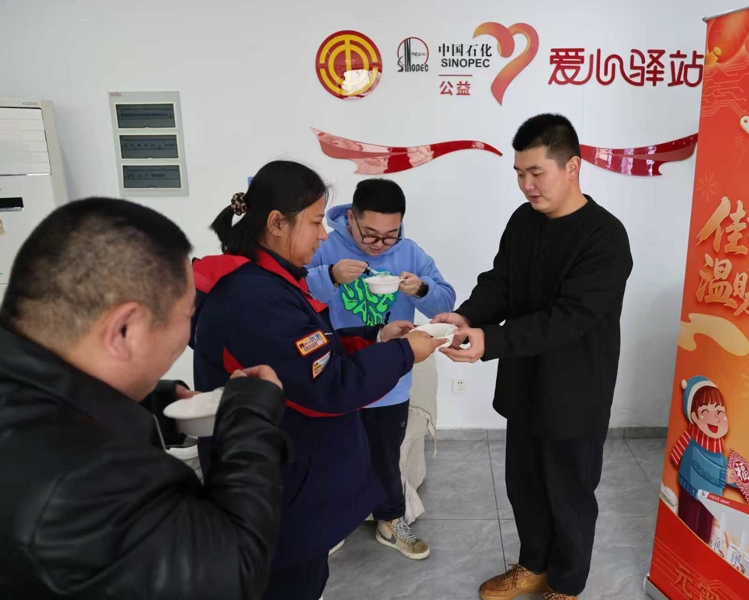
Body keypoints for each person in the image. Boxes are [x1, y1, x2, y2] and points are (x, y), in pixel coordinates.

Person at [0, 198, 291, 599]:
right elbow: (232, 575)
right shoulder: (80, 487)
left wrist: (142, 407)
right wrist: (250, 424)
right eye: (187, 314)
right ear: (125, 330)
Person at [191, 161, 443, 600]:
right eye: (314, 222)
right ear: (276, 223)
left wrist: (377, 337)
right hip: (274, 492)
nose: (322, 235)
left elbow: (311, 348)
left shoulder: (267, 281)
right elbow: (329, 386)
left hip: (287, 482)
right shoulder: (255, 298)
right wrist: (405, 353)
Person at [433, 114, 633, 600]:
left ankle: (566, 584)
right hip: (525, 382)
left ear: (572, 167)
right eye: (520, 174)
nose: (527, 185)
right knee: (524, 486)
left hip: (576, 391)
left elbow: (568, 318)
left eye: (536, 173)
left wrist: (491, 341)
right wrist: (466, 315)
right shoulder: (524, 221)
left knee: (569, 493)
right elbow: (501, 282)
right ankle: (534, 565)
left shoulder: (605, 237)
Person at [306, 178, 456, 559]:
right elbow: (296, 294)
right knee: (332, 453)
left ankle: (390, 520)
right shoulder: (325, 246)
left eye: (390, 235)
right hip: (338, 374)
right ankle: (333, 522)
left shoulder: (409, 252)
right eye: (371, 235)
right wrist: (330, 276)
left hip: (391, 379)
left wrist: (421, 289)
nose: (380, 245)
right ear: (351, 219)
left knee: (386, 456)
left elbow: (446, 301)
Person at [670, 376, 739, 543]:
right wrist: (723, 475)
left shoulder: (717, 446)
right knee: (687, 528)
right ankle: (683, 551)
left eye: (719, 412)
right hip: (692, 492)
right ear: (694, 416)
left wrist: (738, 479)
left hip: (711, 497)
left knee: (705, 532)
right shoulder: (693, 445)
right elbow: (701, 465)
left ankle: (699, 551)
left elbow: (719, 463)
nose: (715, 418)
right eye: (706, 412)